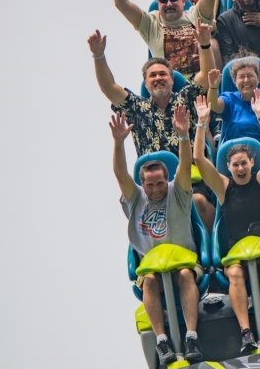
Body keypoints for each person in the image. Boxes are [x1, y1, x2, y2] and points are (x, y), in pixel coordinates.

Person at [89, 33, 216, 228]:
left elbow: (206, 77)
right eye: (153, 76)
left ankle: (208, 251)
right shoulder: (136, 107)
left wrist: (205, 45)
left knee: (198, 202)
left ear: (172, 80)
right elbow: (108, 87)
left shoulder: (186, 98)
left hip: (190, 176)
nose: (158, 78)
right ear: (146, 83)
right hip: (154, 183)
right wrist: (99, 56)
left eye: (163, 74)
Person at [193, 89, 260, 351]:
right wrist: (202, 122)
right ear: (229, 167)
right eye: (235, 165)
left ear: (251, 162)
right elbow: (199, 159)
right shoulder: (224, 189)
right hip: (240, 254)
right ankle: (246, 332)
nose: (240, 169)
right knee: (233, 272)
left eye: (244, 163)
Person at [112, 106, 204, 366]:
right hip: (152, 267)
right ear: (143, 185)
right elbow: (120, 174)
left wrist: (184, 135)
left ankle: (192, 336)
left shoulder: (179, 194)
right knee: (149, 281)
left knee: (185, 276)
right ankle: (162, 340)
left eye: (160, 183)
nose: (155, 189)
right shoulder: (136, 198)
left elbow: (185, 165)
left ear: (168, 181)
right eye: (150, 185)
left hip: (184, 262)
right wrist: (119, 142)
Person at [206, 60, 260, 217]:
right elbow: (214, 106)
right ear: (235, 81)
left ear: (258, 78)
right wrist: (213, 87)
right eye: (241, 77)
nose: (246, 80)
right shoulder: (229, 98)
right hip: (238, 160)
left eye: (250, 76)